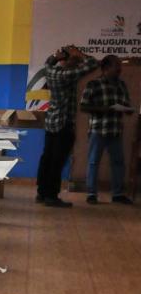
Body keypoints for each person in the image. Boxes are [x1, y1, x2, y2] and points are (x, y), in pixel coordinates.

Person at [36, 45, 99, 207]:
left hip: (51, 122)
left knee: (47, 158)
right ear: (69, 62)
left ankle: (42, 193)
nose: (78, 64)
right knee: (57, 161)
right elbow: (92, 64)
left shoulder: (51, 70)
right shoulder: (67, 75)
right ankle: (51, 196)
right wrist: (80, 54)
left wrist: (57, 56)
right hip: (63, 124)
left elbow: (48, 62)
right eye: (75, 61)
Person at [79, 55, 133, 205]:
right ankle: (91, 193)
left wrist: (128, 110)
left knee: (118, 162)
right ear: (106, 68)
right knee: (93, 162)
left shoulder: (122, 85)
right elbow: (83, 106)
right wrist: (102, 109)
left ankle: (117, 194)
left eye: (119, 66)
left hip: (115, 129)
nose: (119, 70)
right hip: (98, 129)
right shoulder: (93, 84)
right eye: (116, 66)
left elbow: (126, 104)